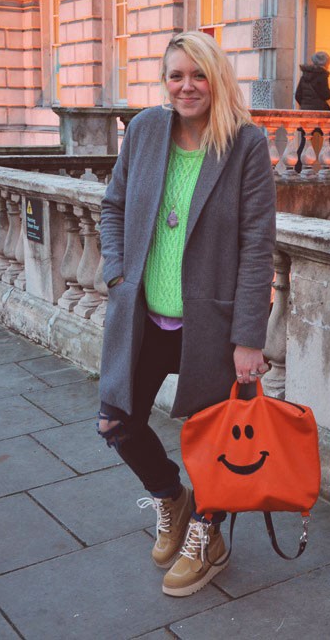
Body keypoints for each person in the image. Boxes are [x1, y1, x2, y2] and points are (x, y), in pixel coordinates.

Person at [96, 31, 276, 598]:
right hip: (144, 313)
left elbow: (256, 246)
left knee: (216, 443)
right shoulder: (146, 130)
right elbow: (113, 207)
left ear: (216, 78)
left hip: (212, 325)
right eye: (176, 75)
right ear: (165, 80)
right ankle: (172, 498)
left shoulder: (245, 144)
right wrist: (119, 275)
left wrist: (249, 336)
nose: (186, 86)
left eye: (197, 74)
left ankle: (208, 537)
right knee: (116, 423)